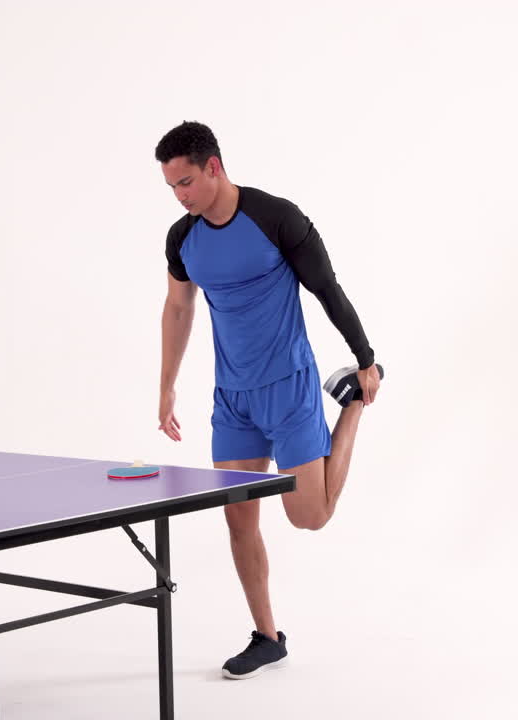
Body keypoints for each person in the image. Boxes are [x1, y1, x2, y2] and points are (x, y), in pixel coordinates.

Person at [154, 121, 384, 679]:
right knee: (238, 520)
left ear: (213, 167)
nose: (180, 196)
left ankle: (350, 404)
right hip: (232, 398)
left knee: (311, 516)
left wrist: (365, 357)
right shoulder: (182, 238)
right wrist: (166, 385)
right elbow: (179, 307)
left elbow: (326, 288)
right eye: (171, 188)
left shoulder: (276, 218)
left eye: (185, 182)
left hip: (289, 387)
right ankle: (267, 635)